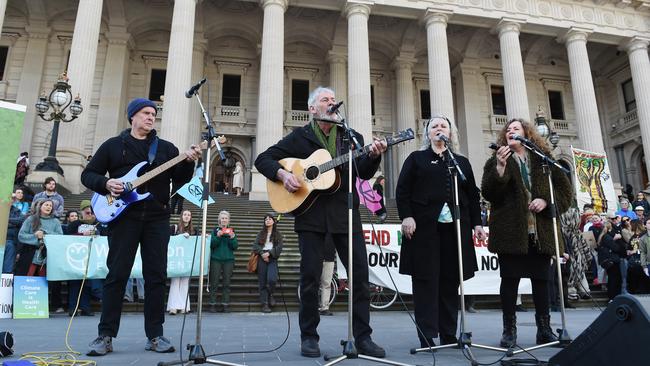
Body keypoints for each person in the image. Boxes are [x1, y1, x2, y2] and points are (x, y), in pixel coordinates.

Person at [254, 86, 387, 358]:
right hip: (311, 217)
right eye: (325, 99)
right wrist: (282, 175)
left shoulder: (350, 137)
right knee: (310, 279)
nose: (331, 102)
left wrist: (374, 155)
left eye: (333, 99)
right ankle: (309, 337)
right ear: (313, 109)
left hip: (346, 215)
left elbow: (363, 171)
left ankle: (363, 337)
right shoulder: (299, 137)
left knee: (360, 278)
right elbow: (262, 159)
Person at [80, 97, 200, 356]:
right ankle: (106, 335)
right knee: (116, 275)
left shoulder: (166, 149)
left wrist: (189, 162)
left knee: (156, 276)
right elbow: (88, 174)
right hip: (123, 218)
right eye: (145, 113)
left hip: (157, 218)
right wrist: (105, 184)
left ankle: (156, 335)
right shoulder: (113, 146)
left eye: (153, 114)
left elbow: (179, 180)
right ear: (132, 116)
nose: (150, 117)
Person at [396, 115, 487, 349]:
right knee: (426, 281)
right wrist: (407, 216)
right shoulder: (416, 159)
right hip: (425, 229)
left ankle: (448, 333)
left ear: (451, 133)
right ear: (427, 134)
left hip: (455, 230)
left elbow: (472, 195)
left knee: (449, 282)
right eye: (434, 126)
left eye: (443, 126)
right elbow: (403, 190)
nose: (438, 129)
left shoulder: (460, 162)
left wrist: (477, 223)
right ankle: (427, 334)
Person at [481, 118, 572, 348]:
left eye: (516, 129)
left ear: (526, 134)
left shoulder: (543, 159)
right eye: (508, 130)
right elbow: (489, 192)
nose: (511, 131)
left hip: (540, 231)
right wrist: (500, 169)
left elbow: (565, 191)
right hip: (511, 231)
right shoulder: (497, 160)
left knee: (541, 281)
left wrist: (547, 202)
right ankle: (509, 330)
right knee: (510, 281)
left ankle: (544, 329)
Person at [66, 200, 105, 316]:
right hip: (76, 257)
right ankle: (72, 308)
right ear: (82, 212)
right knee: (75, 283)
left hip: (93, 257)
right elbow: (67, 238)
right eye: (87, 212)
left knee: (88, 284)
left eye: (91, 212)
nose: (90, 214)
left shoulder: (100, 224)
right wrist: (83, 235)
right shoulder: (74, 224)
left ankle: (85, 307)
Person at [17, 199, 63, 277]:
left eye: (50, 206)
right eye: (46, 205)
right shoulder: (31, 219)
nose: (49, 207)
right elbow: (21, 235)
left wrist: (46, 234)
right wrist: (35, 236)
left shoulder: (56, 222)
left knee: (44, 282)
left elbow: (60, 237)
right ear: (40, 206)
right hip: (30, 254)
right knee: (26, 279)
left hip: (47, 257)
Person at [167, 209, 197, 315]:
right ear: (181, 216)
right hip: (176, 258)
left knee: (185, 283)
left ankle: (185, 306)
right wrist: (180, 236)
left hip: (187, 260)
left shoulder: (194, 230)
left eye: (189, 215)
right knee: (175, 282)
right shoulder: (174, 228)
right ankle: (173, 307)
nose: (187, 216)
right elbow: (169, 240)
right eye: (185, 214)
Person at [252, 213, 283, 313]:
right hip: (262, 259)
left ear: (274, 221)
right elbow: (255, 246)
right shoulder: (261, 233)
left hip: (272, 259)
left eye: (270, 219)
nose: (268, 220)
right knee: (262, 282)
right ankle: (264, 304)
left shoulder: (277, 234)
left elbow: (279, 247)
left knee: (272, 279)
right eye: (266, 219)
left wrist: (269, 254)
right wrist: (262, 253)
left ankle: (270, 295)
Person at [208, 210, 238, 313]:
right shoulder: (215, 230)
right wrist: (218, 236)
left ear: (228, 220)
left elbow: (235, 247)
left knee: (226, 283)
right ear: (219, 220)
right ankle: (212, 304)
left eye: (226, 218)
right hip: (216, 259)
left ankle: (225, 304)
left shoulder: (232, 230)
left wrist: (232, 238)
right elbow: (212, 244)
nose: (224, 220)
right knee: (214, 282)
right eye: (222, 218)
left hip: (228, 260)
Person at [597, 221, 628, 299]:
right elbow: (615, 248)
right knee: (614, 279)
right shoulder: (607, 237)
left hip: (609, 260)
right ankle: (612, 297)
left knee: (612, 278)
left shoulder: (603, 236)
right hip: (612, 260)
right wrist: (616, 240)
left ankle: (612, 296)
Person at [4, 204, 26, 274]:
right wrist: (13, 224)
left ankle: (6, 276)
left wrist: (5, 219)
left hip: (10, 240)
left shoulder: (17, 211)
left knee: (10, 245)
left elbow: (21, 220)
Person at [318, 234, 336, 316]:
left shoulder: (334, 229)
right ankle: (311, 306)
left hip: (329, 258)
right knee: (313, 282)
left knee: (327, 284)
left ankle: (324, 307)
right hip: (317, 257)